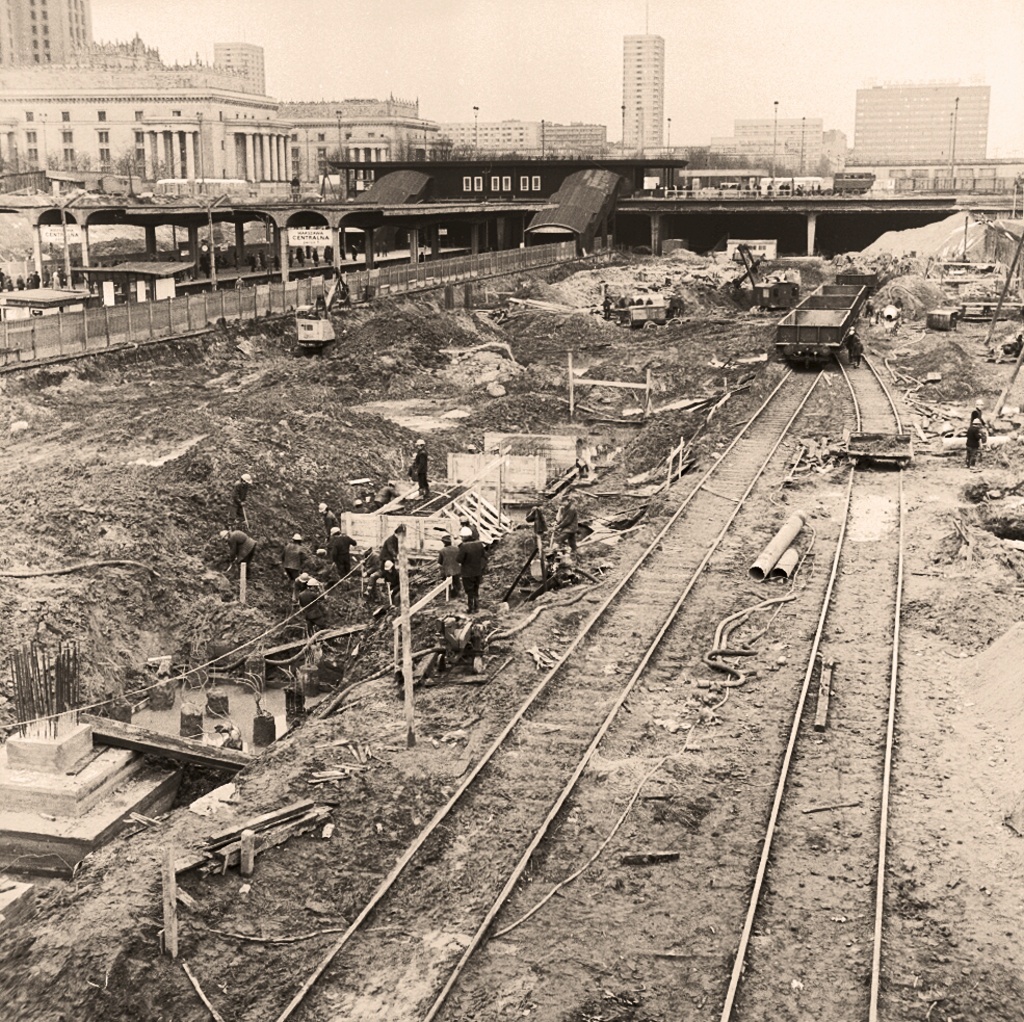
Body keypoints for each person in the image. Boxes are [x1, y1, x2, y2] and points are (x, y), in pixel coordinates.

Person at [456, 526, 487, 614]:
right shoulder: (479, 544)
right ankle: (476, 607)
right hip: (477, 571)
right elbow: (484, 556)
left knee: (469, 591)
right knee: (476, 590)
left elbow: (459, 559)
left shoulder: (464, 546)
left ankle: (471, 608)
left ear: (464, 537)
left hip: (467, 573)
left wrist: (459, 548)